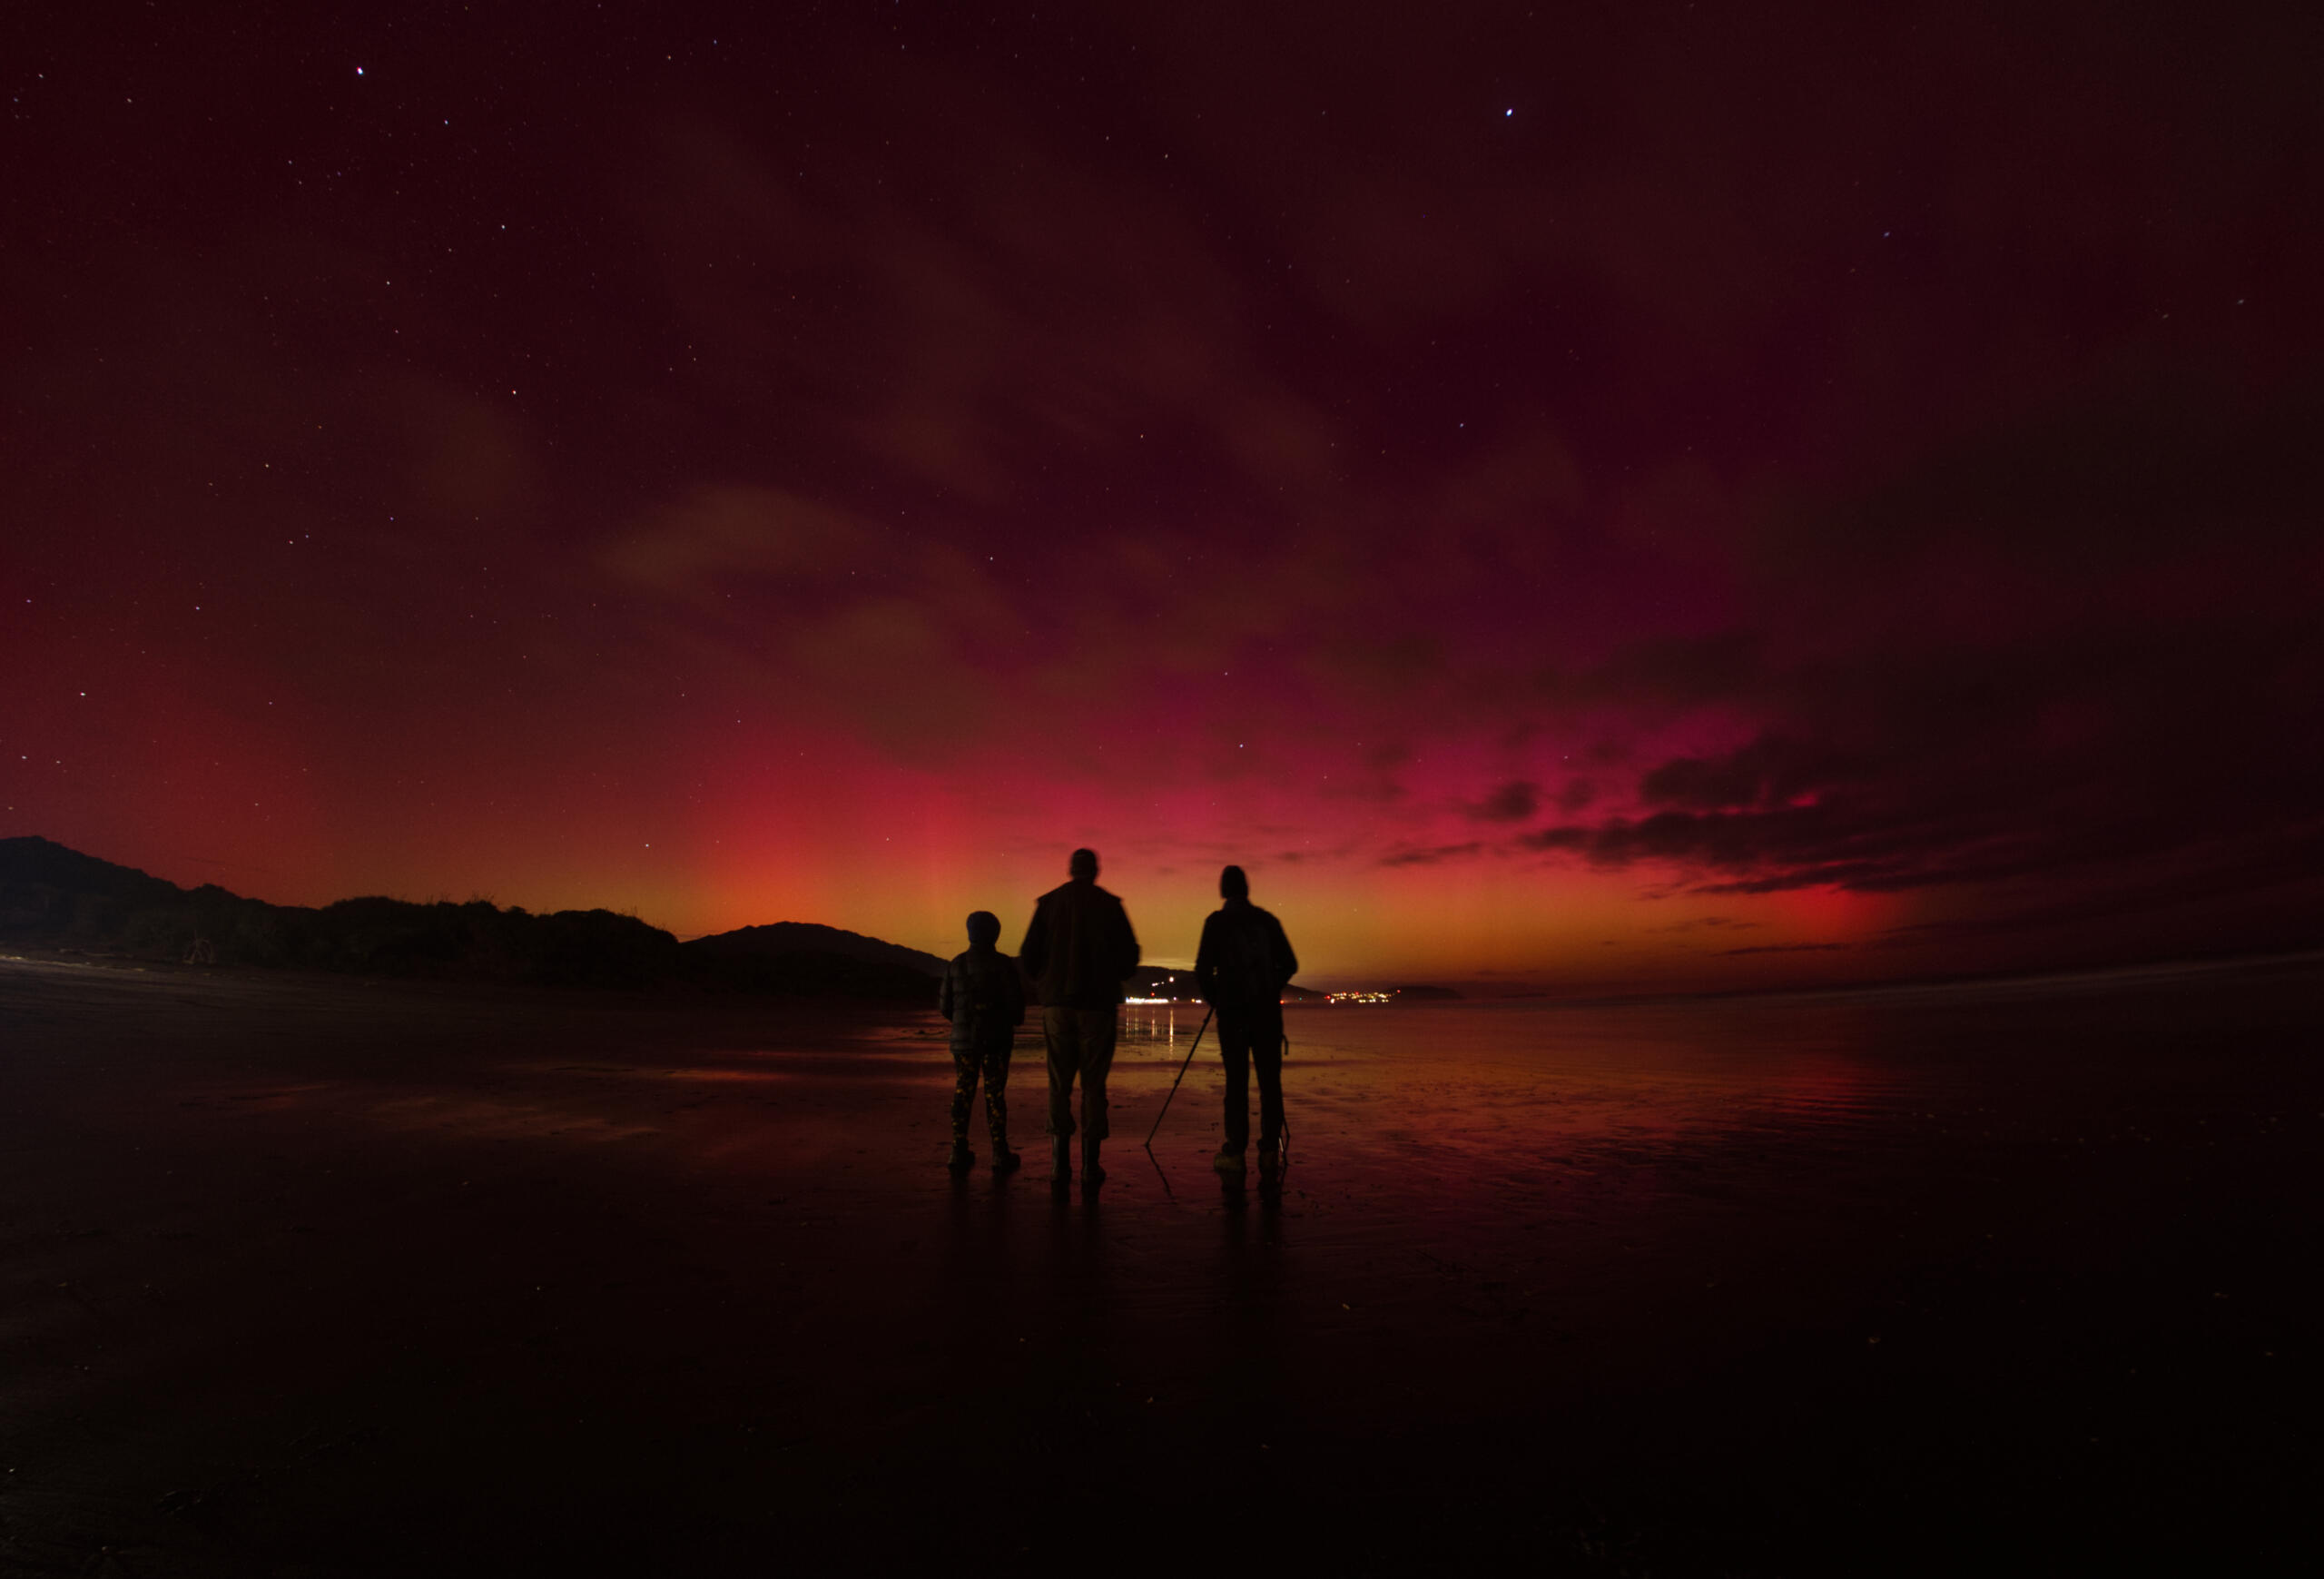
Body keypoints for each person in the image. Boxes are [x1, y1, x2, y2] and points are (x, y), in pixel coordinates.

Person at [1018, 847, 1140, 1188]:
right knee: (1093, 1084)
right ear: (1096, 871)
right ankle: (1090, 1165)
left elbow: (1029, 954)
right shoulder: (1109, 905)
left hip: (1057, 1005)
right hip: (1098, 1007)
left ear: (1071, 870)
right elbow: (1130, 956)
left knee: (1059, 1082)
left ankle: (1059, 1165)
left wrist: (1044, 984)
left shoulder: (1049, 904)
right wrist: (1112, 974)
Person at [1194, 864, 1298, 1178]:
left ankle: (1235, 1151)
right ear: (1247, 889)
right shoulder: (1267, 921)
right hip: (1267, 1015)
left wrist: (1218, 999)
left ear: (1224, 890)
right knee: (1270, 1083)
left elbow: (1202, 971)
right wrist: (1270, 988)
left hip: (1233, 1016)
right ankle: (1268, 1152)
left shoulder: (1216, 923)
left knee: (1236, 1083)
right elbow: (1290, 964)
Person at [938, 910, 1026, 1174]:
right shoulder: (1004, 964)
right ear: (994, 934)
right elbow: (1016, 1010)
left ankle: (957, 1149)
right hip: (996, 1041)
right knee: (995, 1095)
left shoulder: (956, 964)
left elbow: (945, 1006)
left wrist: (963, 1023)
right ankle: (999, 1153)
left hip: (963, 1043)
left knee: (963, 1091)